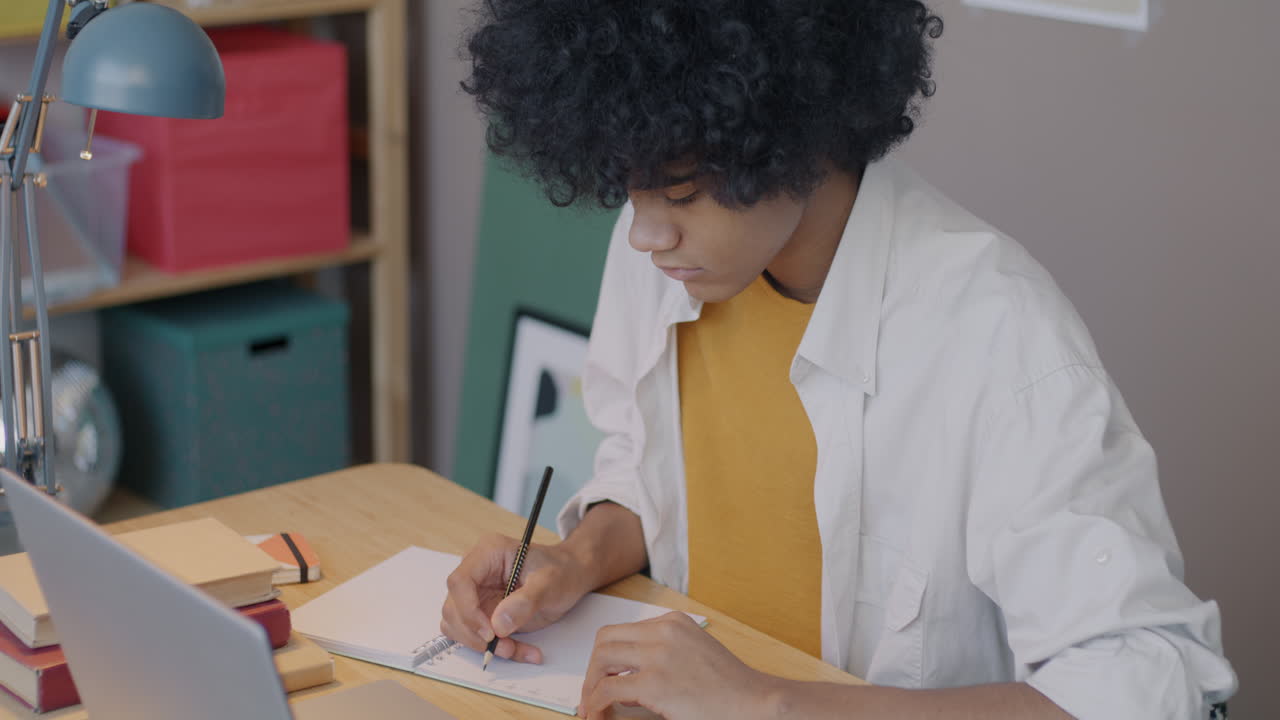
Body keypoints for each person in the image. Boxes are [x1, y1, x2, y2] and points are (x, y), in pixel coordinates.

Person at [441, 1, 1238, 718]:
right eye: (631, 187)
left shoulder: (998, 332)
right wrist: (577, 560)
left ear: (794, 133)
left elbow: (1147, 681)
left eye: (681, 192)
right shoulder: (665, 257)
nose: (646, 230)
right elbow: (651, 470)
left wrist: (767, 704)